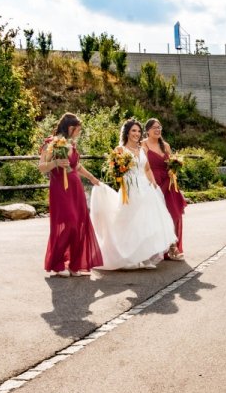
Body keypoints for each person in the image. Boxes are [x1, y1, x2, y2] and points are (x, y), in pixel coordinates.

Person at [89, 119, 177, 270]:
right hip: (130, 189)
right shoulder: (120, 150)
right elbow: (115, 172)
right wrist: (121, 174)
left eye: (138, 131)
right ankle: (129, 257)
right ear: (127, 133)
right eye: (133, 131)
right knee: (130, 223)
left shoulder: (142, 149)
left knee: (148, 223)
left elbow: (147, 168)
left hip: (146, 188)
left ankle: (146, 257)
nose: (136, 134)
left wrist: (153, 182)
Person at [39, 112, 103, 277]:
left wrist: (93, 179)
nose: (79, 132)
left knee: (79, 223)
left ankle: (75, 265)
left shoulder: (72, 145)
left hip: (75, 187)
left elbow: (77, 166)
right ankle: (58, 263)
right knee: (69, 223)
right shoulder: (51, 144)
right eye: (78, 129)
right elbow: (42, 166)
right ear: (70, 128)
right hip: (60, 187)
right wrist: (55, 162)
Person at [143, 118, 186, 260]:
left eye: (159, 127)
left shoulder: (165, 146)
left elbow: (172, 163)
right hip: (153, 182)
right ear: (147, 130)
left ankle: (172, 247)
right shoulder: (143, 145)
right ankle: (156, 248)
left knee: (173, 213)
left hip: (168, 182)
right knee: (156, 215)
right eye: (154, 127)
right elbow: (141, 165)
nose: (157, 130)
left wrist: (173, 170)